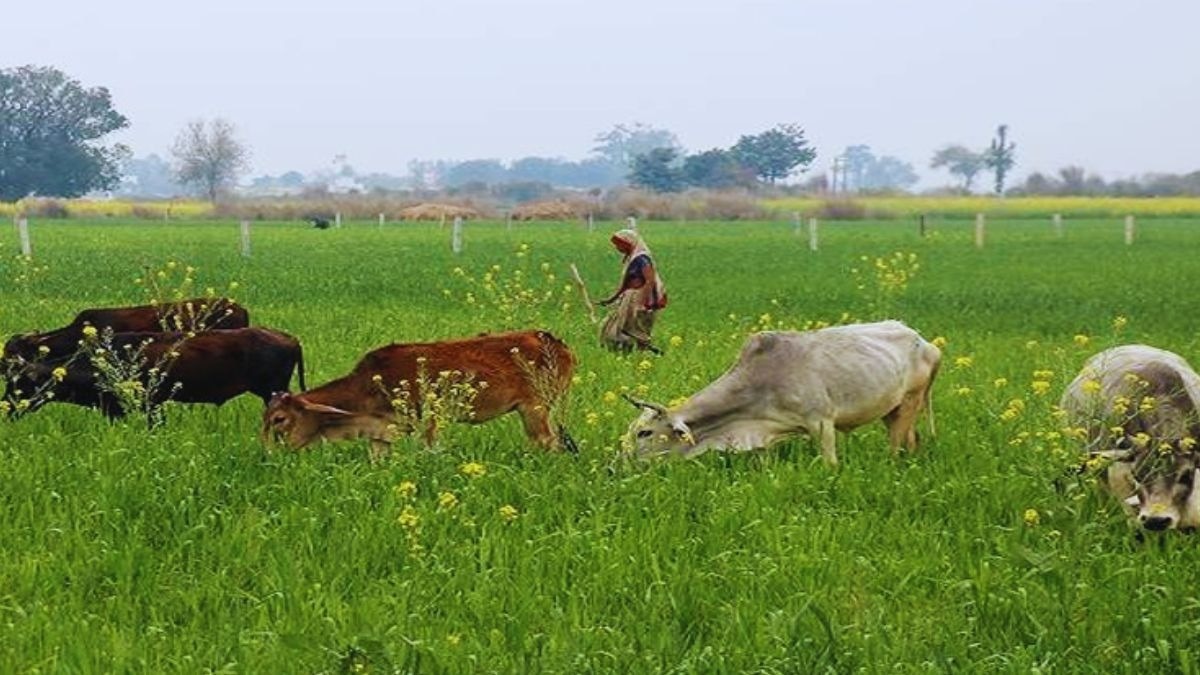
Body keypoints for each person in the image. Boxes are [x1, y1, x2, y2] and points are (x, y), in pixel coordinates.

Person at [597, 229, 667, 352]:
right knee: (615, 327)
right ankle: (626, 352)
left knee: (637, 327)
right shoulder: (632, 259)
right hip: (630, 297)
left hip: (639, 296)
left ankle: (644, 352)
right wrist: (611, 299)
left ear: (630, 243)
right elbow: (625, 284)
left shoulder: (642, 259)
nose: (618, 248)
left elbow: (649, 281)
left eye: (620, 244)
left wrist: (641, 302)